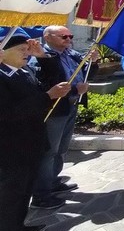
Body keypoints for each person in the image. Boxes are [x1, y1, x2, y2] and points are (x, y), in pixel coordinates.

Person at [0, 30, 71, 231]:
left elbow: (52, 81)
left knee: (24, 191)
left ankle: (16, 227)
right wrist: (46, 97)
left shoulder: (21, 71)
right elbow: (9, 113)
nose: (26, 54)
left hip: (30, 143)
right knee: (10, 194)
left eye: (27, 49)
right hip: (10, 148)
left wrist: (42, 56)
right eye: (21, 50)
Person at [31, 26, 99, 209]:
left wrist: (94, 62)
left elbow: (86, 73)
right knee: (49, 151)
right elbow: (45, 82)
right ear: (48, 37)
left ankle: (53, 182)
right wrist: (76, 89)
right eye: (64, 36)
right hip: (55, 109)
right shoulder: (40, 56)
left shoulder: (72, 54)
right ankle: (41, 194)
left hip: (71, 105)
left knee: (61, 149)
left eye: (70, 35)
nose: (69, 39)